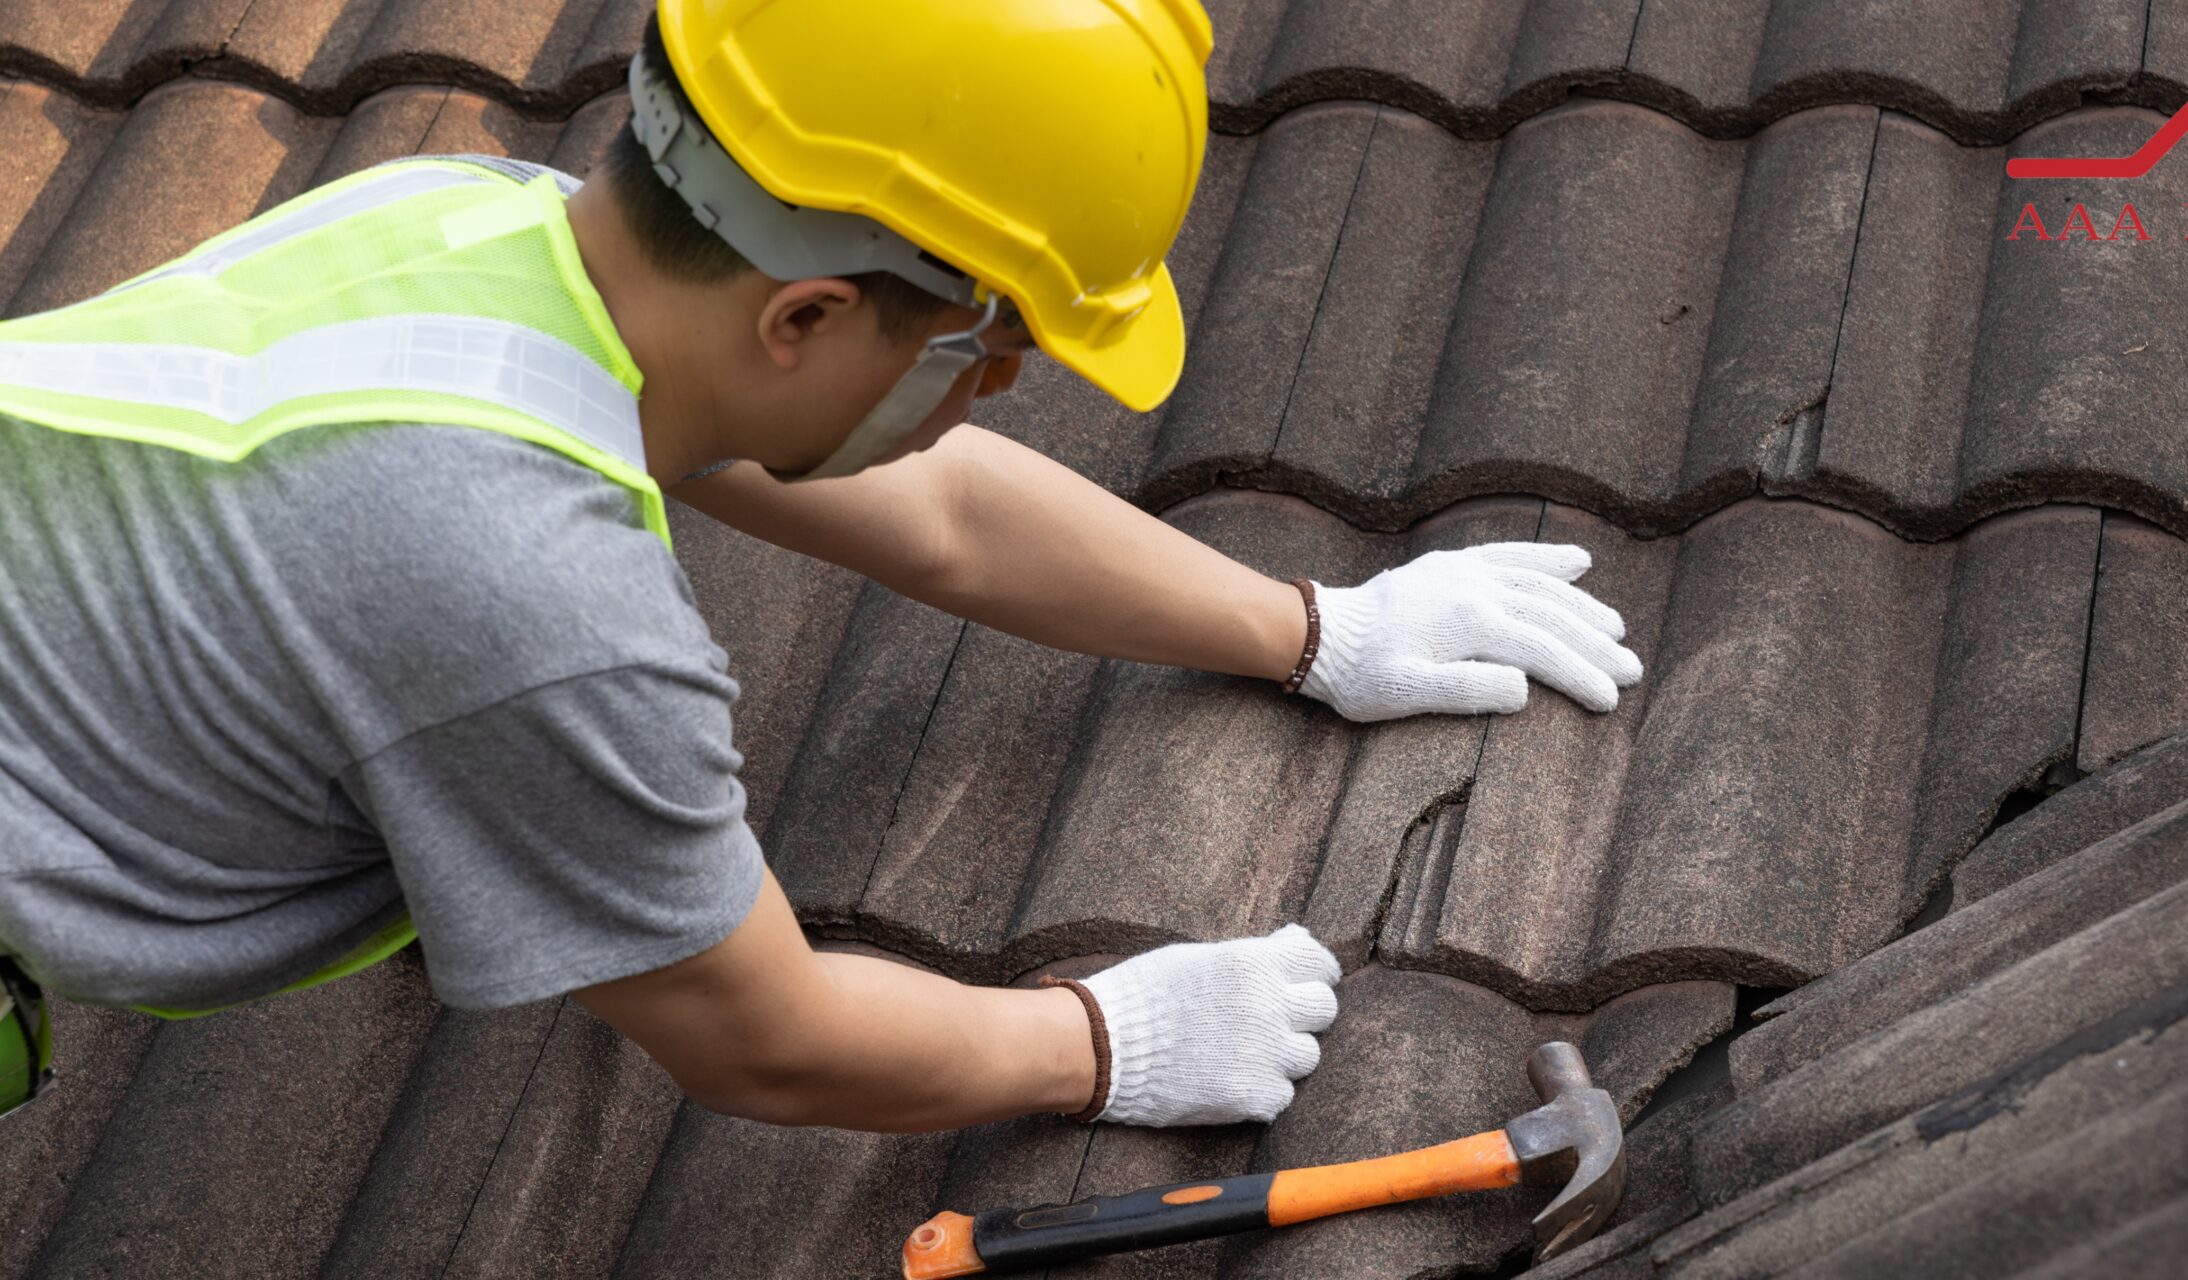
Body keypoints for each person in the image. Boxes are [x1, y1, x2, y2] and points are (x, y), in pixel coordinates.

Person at [0, 0, 1643, 1135]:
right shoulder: (533, 607)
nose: (1000, 390)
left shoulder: (475, 219)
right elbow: (759, 1035)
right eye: (990, 347)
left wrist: (1314, 629)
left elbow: (945, 515)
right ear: (803, 316)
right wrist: (1099, 1040)